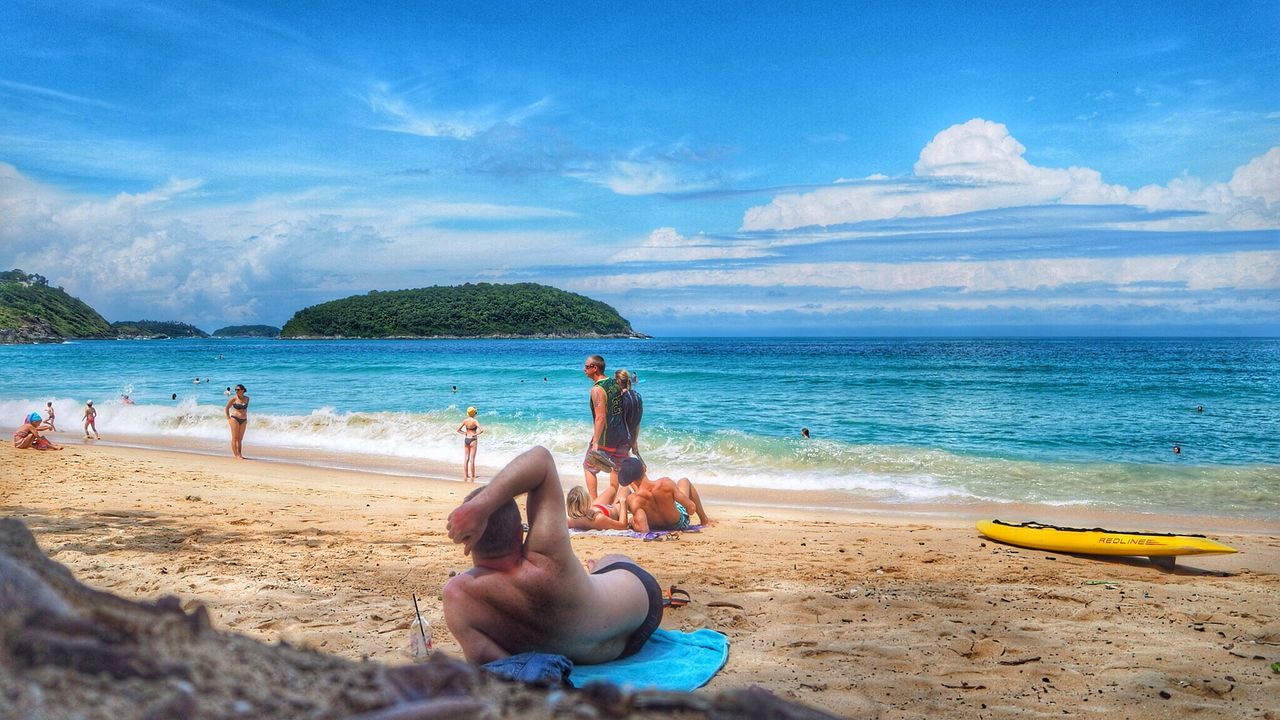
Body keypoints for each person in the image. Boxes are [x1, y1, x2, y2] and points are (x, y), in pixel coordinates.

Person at [443, 446, 664, 665]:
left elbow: (498, 667)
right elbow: (541, 459)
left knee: (597, 575)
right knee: (613, 559)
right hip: (643, 608)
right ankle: (599, 567)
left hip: (597, 651)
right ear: (521, 533)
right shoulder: (545, 557)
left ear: (468, 542)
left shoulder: (458, 597)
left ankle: (595, 572)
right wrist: (481, 507)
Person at [618, 458, 712, 533]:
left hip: (655, 526)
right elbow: (691, 508)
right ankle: (704, 520)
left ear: (629, 481)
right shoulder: (665, 483)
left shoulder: (633, 500)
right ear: (644, 468)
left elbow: (644, 529)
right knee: (684, 481)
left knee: (640, 499)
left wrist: (632, 522)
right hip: (678, 524)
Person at [582, 355, 630, 499]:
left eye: (586, 366)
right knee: (616, 469)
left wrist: (596, 441)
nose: (584, 369)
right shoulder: (615, 383)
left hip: (605, 438)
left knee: (588, 467)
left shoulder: (597, 389)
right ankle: (615, 503)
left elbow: (600, 417)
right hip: (621, 437)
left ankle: (595, 503)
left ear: (595, 368)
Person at [616, 369, 643, 462]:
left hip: (620, 440)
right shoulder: (637, 396)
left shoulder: (619, 398)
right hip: (631, 437)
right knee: (625, 464)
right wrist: (635, 441)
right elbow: (637, 421)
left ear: (618, 381)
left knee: (618, 468)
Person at [456, 406, 484, 482]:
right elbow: (481, 430)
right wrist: (475, 434)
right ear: (474, 413)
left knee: (466, 458)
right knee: (472, 459)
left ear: (468, 413)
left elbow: (458, 430)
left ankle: (465, 475)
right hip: (473, 440)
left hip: (466, 439)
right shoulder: (475, 421)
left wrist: (465, 433)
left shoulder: (465, 421)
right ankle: (472, 476)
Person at [224, 384, 249, 459]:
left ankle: (240, 454)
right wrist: (229, 419)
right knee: (235, 437)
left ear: (242, 390)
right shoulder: (234, 399)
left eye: (238, 390)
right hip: (235, 419)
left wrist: (246, 418)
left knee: (240, 439)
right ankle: (236, 455)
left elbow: (245, 409)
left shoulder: (247, 398)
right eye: (235, 390)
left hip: (244, 420)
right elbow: (227, 408)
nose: (236, 391)